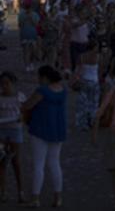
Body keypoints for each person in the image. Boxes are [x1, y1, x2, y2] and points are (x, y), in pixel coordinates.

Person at [23, 65, 67, 208]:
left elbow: (27, 106)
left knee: (38, 164)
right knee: (55, 163)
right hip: (57, 130)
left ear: (44, 77)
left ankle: (35, 197)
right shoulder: (62, 91)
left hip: (40, 129)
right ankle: (58, 197)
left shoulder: (42, 91)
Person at [0, 71, 25, 202]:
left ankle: (20, 192)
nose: (4, 86)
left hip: (15, 131)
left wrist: (22, 117)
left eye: (7, 83)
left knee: (16, 162)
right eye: (2, 83)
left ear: (12, 83)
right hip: (1, 132)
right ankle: (2, 192)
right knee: (2, 162)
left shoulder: (19, 97)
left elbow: (25, 113)